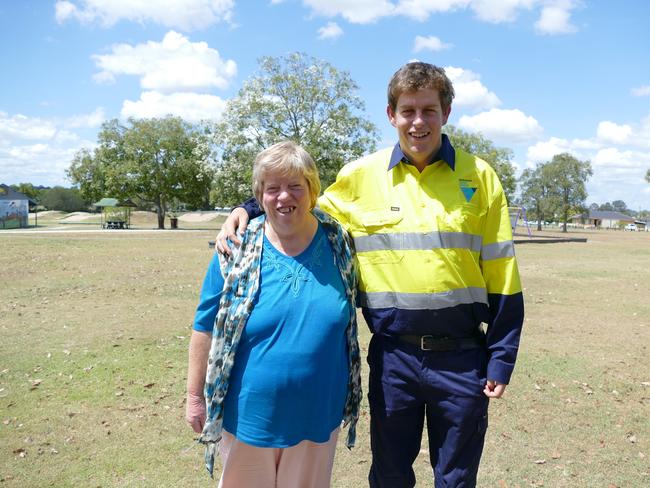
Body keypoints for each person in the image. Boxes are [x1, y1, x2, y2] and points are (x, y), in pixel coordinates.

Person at [217, 62, 524, 488]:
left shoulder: (481, 177)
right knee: (389, 475)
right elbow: (302, 202)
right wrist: (247, 208)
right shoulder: (362, 176)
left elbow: (504, 272)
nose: (418, 122)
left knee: (456, 478)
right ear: (391, 115)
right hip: (393, 358)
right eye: (408, 111)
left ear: (446, 113)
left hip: (463, 360)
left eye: (429, 111)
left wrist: (501, 355)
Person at [186, 140, 362, 488]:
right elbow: (205, 326)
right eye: (273, 188)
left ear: (312, 191)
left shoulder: (339, 243)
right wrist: (194, 398)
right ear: (259, 196)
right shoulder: (235, 247)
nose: (285, 197)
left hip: (318, 413)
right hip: (250, 418)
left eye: (296, 186)